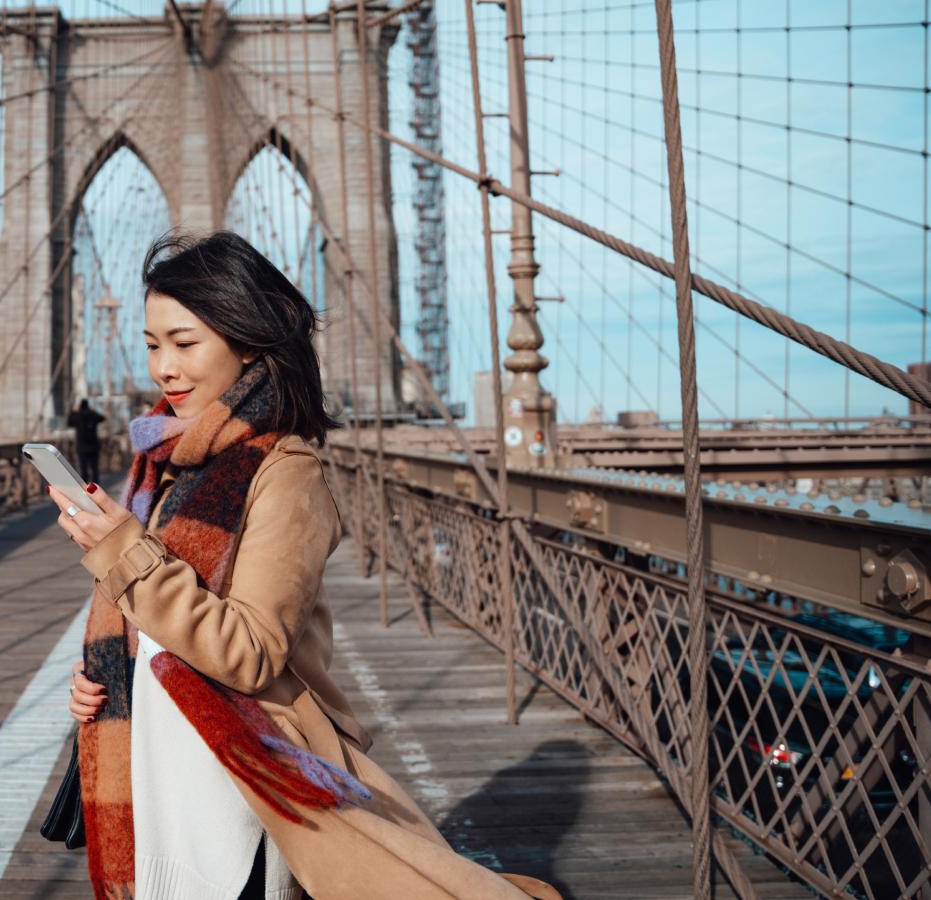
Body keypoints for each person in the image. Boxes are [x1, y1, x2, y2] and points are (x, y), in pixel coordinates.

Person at [46, 232, 556, 900]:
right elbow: (156, 625)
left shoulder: (286, 473)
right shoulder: (171, 460)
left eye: (184, 342)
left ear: (248, 341)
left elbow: (249, 652)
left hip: (238, 785)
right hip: (160, 773)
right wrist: (105, 678)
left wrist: (122, 551)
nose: (163, 367)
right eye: (151, 344)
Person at [66, 398, 107, 485]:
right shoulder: (92, 414)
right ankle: (96, 488)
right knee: (94, 469)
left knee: (83, 469)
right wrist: (92, 411)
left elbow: (69, 423)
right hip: (93, 447)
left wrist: (73, 411)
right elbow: (103, 418)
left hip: (82, 447)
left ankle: (84, 487)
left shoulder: (77, 415)